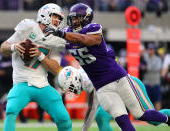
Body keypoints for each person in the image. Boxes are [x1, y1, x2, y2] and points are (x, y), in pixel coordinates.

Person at [43, 3, 170, 131]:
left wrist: (61, 34)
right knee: (122, 120)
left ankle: (168, 120)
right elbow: (50, 42)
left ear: (86, 19)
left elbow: (85, 40)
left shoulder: (94, 28)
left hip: (119, 78)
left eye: (78, 18)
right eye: (73, 18)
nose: (74, 21)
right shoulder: (66, 33)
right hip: (102, 88)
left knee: (140, 114)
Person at [0, 3, 72, 131]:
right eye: (54, 16)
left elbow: (56, 69)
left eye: (59, 19)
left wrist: (40, 56)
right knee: (11, 111)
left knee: (63, 118)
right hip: (22, 83)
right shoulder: (28, 27)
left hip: (42, 84)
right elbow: (3, 48)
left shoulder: (57, 38)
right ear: (44, 14)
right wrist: (14, 46)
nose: (57, 21)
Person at [58, 66, 170, 131]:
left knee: (152, 119)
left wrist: (84, 130)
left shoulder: (87, 80)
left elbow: (93, 106)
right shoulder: (83, 73)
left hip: (130, 86)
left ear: (73, 79)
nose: (71, 90)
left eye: (70, 87)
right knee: (101, 117)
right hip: (113, 93)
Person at [143, 43, 162, 110]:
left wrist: (147, 67)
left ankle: (159, 117)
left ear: (154, 50)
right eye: (149, 49)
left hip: (155, 83)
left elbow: (157, 68)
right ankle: (148, 117)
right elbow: (141, 67)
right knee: (146, 101)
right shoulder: (144, 58)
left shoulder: (158, 59)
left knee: (157, 101)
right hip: (146, 83)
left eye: (151, 49)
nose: (150, 51)